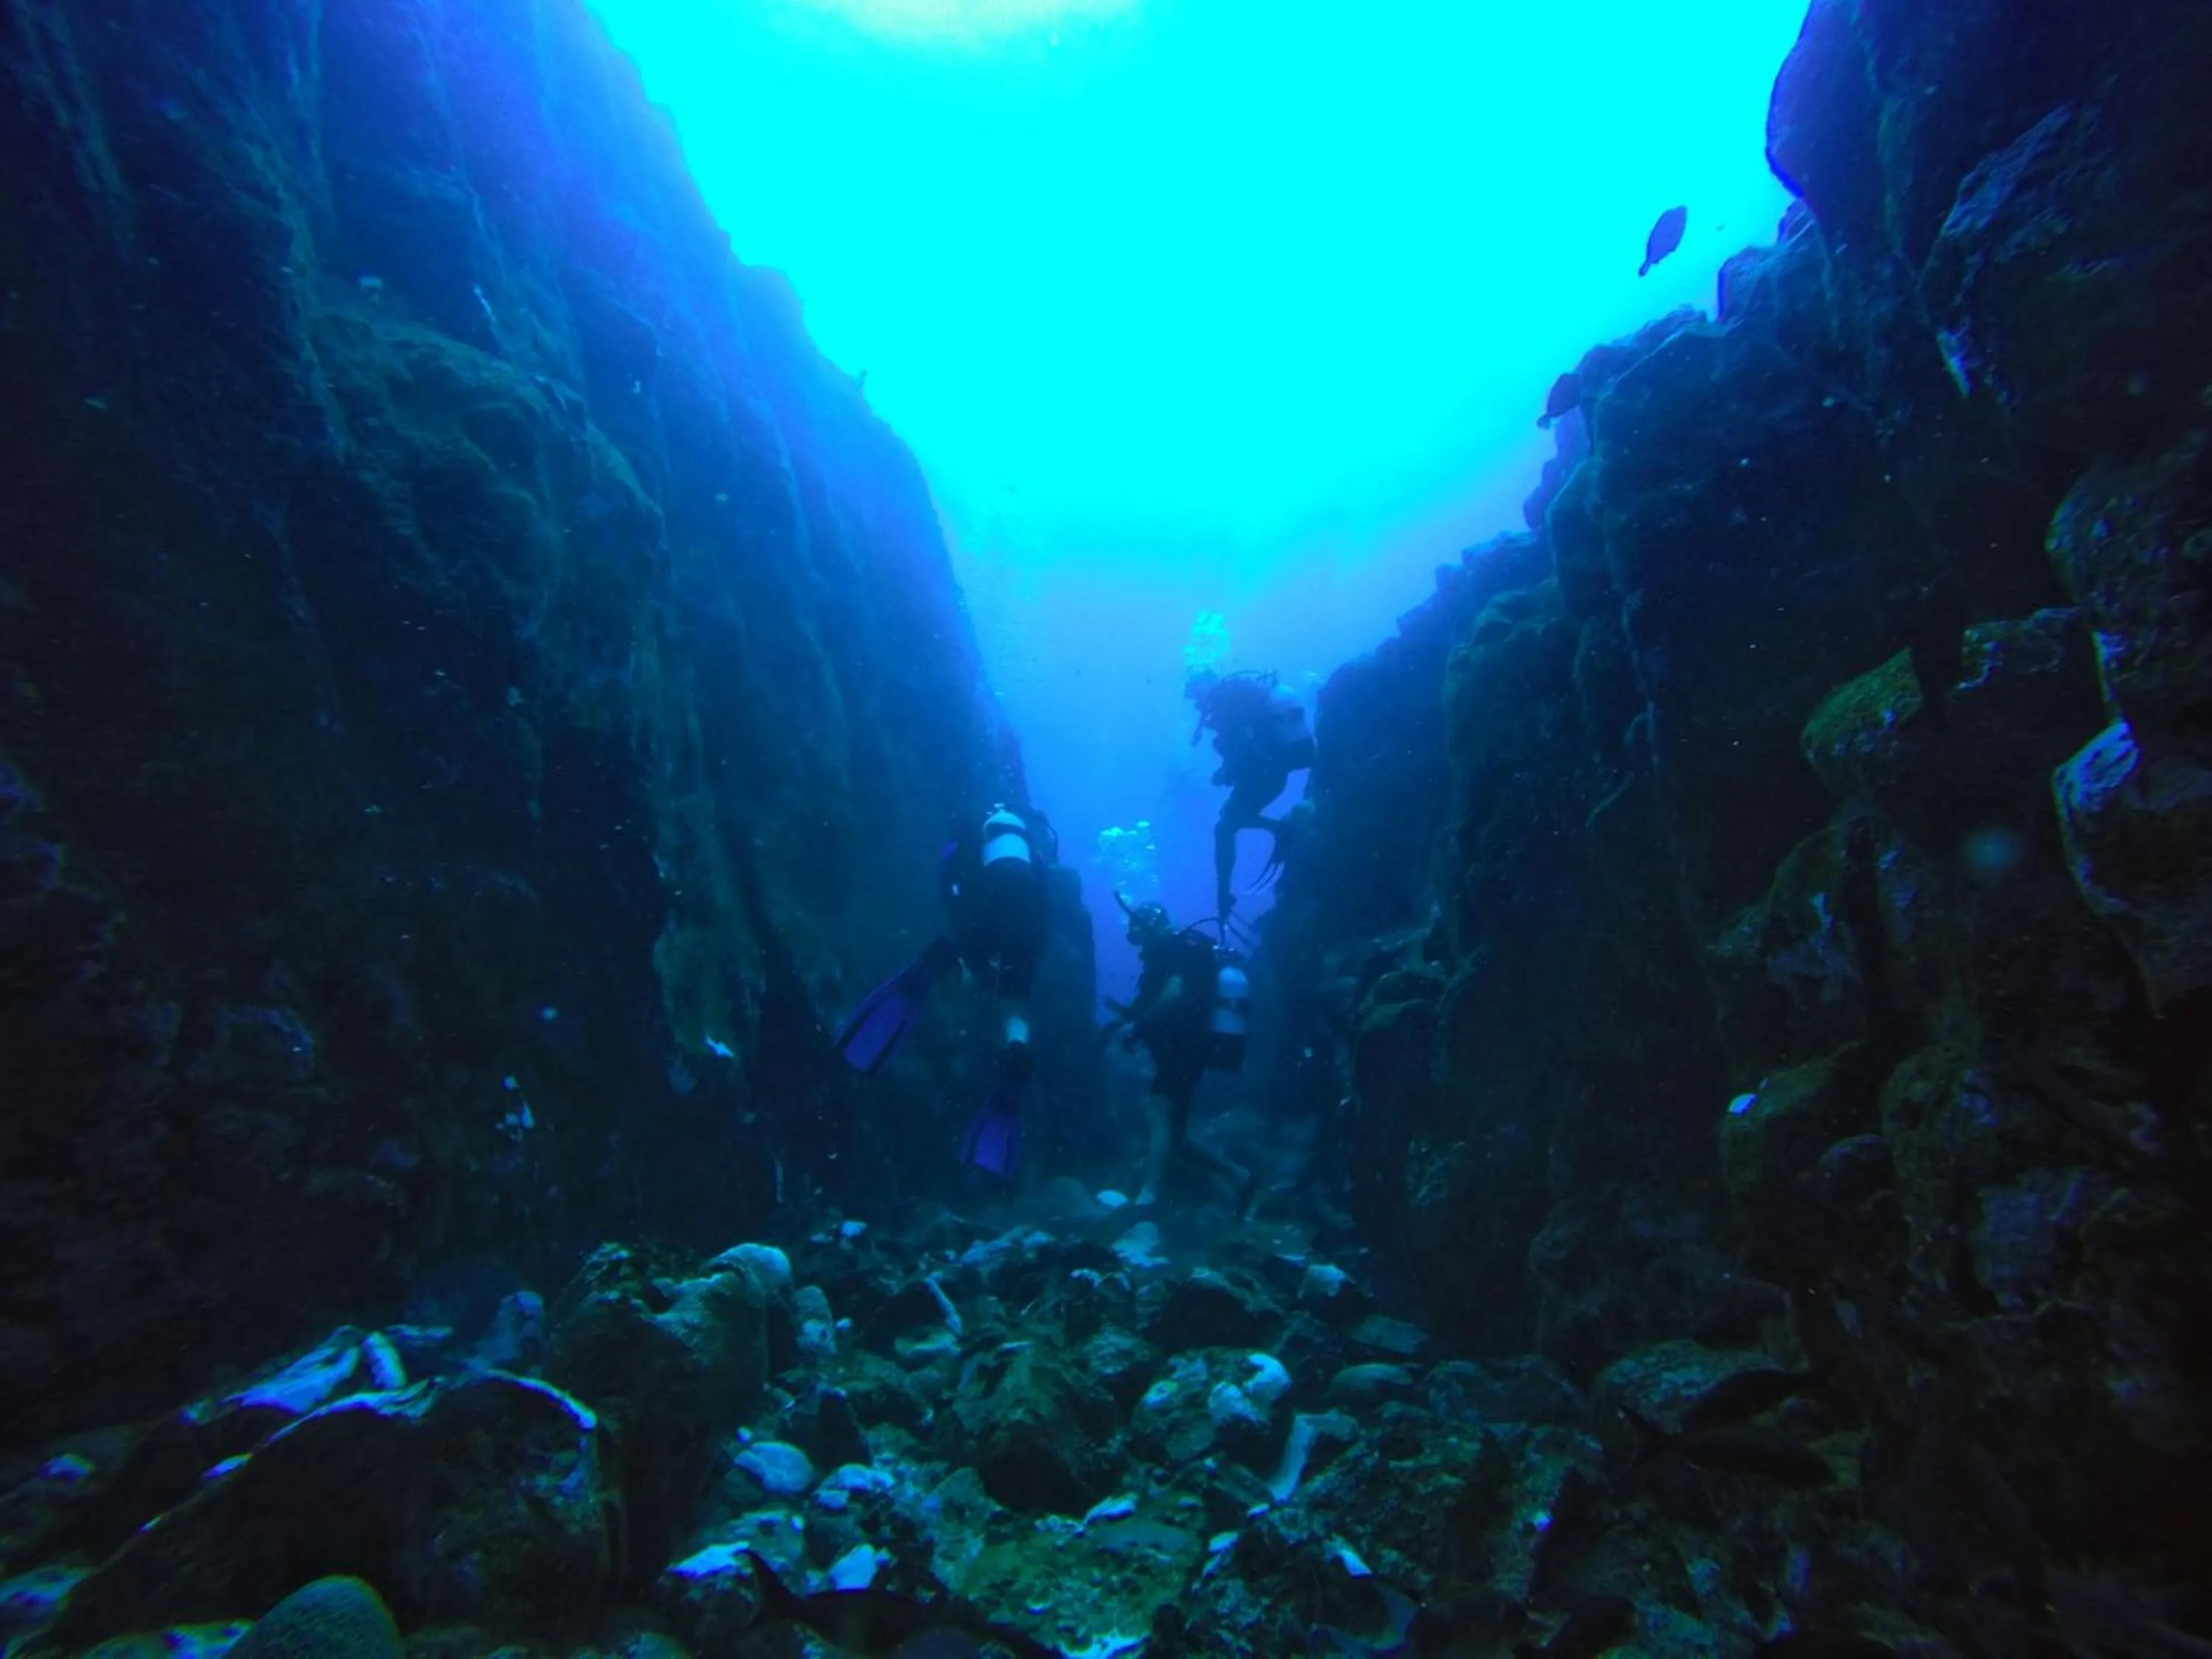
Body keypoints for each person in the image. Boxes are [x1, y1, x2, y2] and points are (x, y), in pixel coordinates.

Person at [833, 802, 1057, 1177]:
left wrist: (968, 951)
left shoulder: (970, 838)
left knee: (945, 955)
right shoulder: (1030, 856)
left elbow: (949, 882)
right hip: (1029, 927)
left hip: (989, 913)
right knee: (1013, 1007)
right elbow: (1045, 904)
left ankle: (919, 979)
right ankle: (1016, 1053)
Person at [1107, 894, 1255, 1212]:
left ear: (1152, 926)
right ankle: (1239, 1176)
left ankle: (1148, 1196)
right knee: (1175, 1135)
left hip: (1184, 1048)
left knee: (1159, 1112)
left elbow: (1174, 991)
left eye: (1140, 931)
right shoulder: (1182, 951)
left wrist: (1140, 1028)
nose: (1138, 940)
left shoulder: (1177, 949)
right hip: (1186, 1048)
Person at [1187, 667, 1316, 921]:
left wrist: (1227, 772)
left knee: (1225, 828)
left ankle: (1225, 894)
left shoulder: (1230, 707)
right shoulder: (1243, 702)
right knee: (1228, 822)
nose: (1197, 707)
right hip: (1271, 773)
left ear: (1205, 689)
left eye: (1196, 698)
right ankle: (1279, 830)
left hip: (1267, 776)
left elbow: (1250, 749)